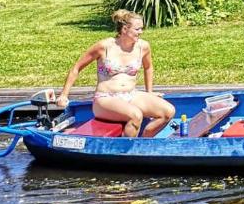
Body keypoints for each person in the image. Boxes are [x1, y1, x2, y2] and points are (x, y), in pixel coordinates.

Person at [55, 9, 175, 138]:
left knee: (168, 112)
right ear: (124, 29)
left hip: (131, 95)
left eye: (142, 28)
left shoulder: (143, 46)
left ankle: (144, 142)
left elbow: (148, 67)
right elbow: (76, 68)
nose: (141, 32)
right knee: (135, 115)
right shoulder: (104, 46)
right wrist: (64, 95)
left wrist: (149, 92)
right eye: (137, 29)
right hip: (105, 98)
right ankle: (126, 149)